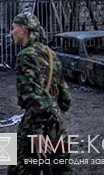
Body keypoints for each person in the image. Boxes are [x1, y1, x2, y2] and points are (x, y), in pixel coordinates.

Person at [8, 12, 74, 175]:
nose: (12, 32)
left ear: (23, 30)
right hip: (57, 125)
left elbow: (34, 98)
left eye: (13, 28)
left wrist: (37, 132)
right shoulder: (51, 54)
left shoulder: (25, 56)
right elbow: (65, 97)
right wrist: (55, 115)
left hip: (35, 126)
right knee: (62, 169)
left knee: (20, 168)